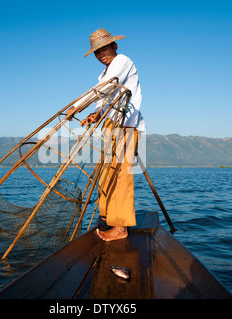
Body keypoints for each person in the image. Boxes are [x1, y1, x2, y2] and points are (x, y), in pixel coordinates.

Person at [67, 28, 145, 241]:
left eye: (104, 48)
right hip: (111, 127)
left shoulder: (122, 62)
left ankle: (121, 229)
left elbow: (104, 89)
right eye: (97, 52)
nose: (101, 54)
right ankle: (109, 217)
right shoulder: (103, 74)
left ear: (114, 46)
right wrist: (95, 115)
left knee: (121, 176)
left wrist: (76, 106)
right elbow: (105, 101)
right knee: (108, 174)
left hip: (125, 126)